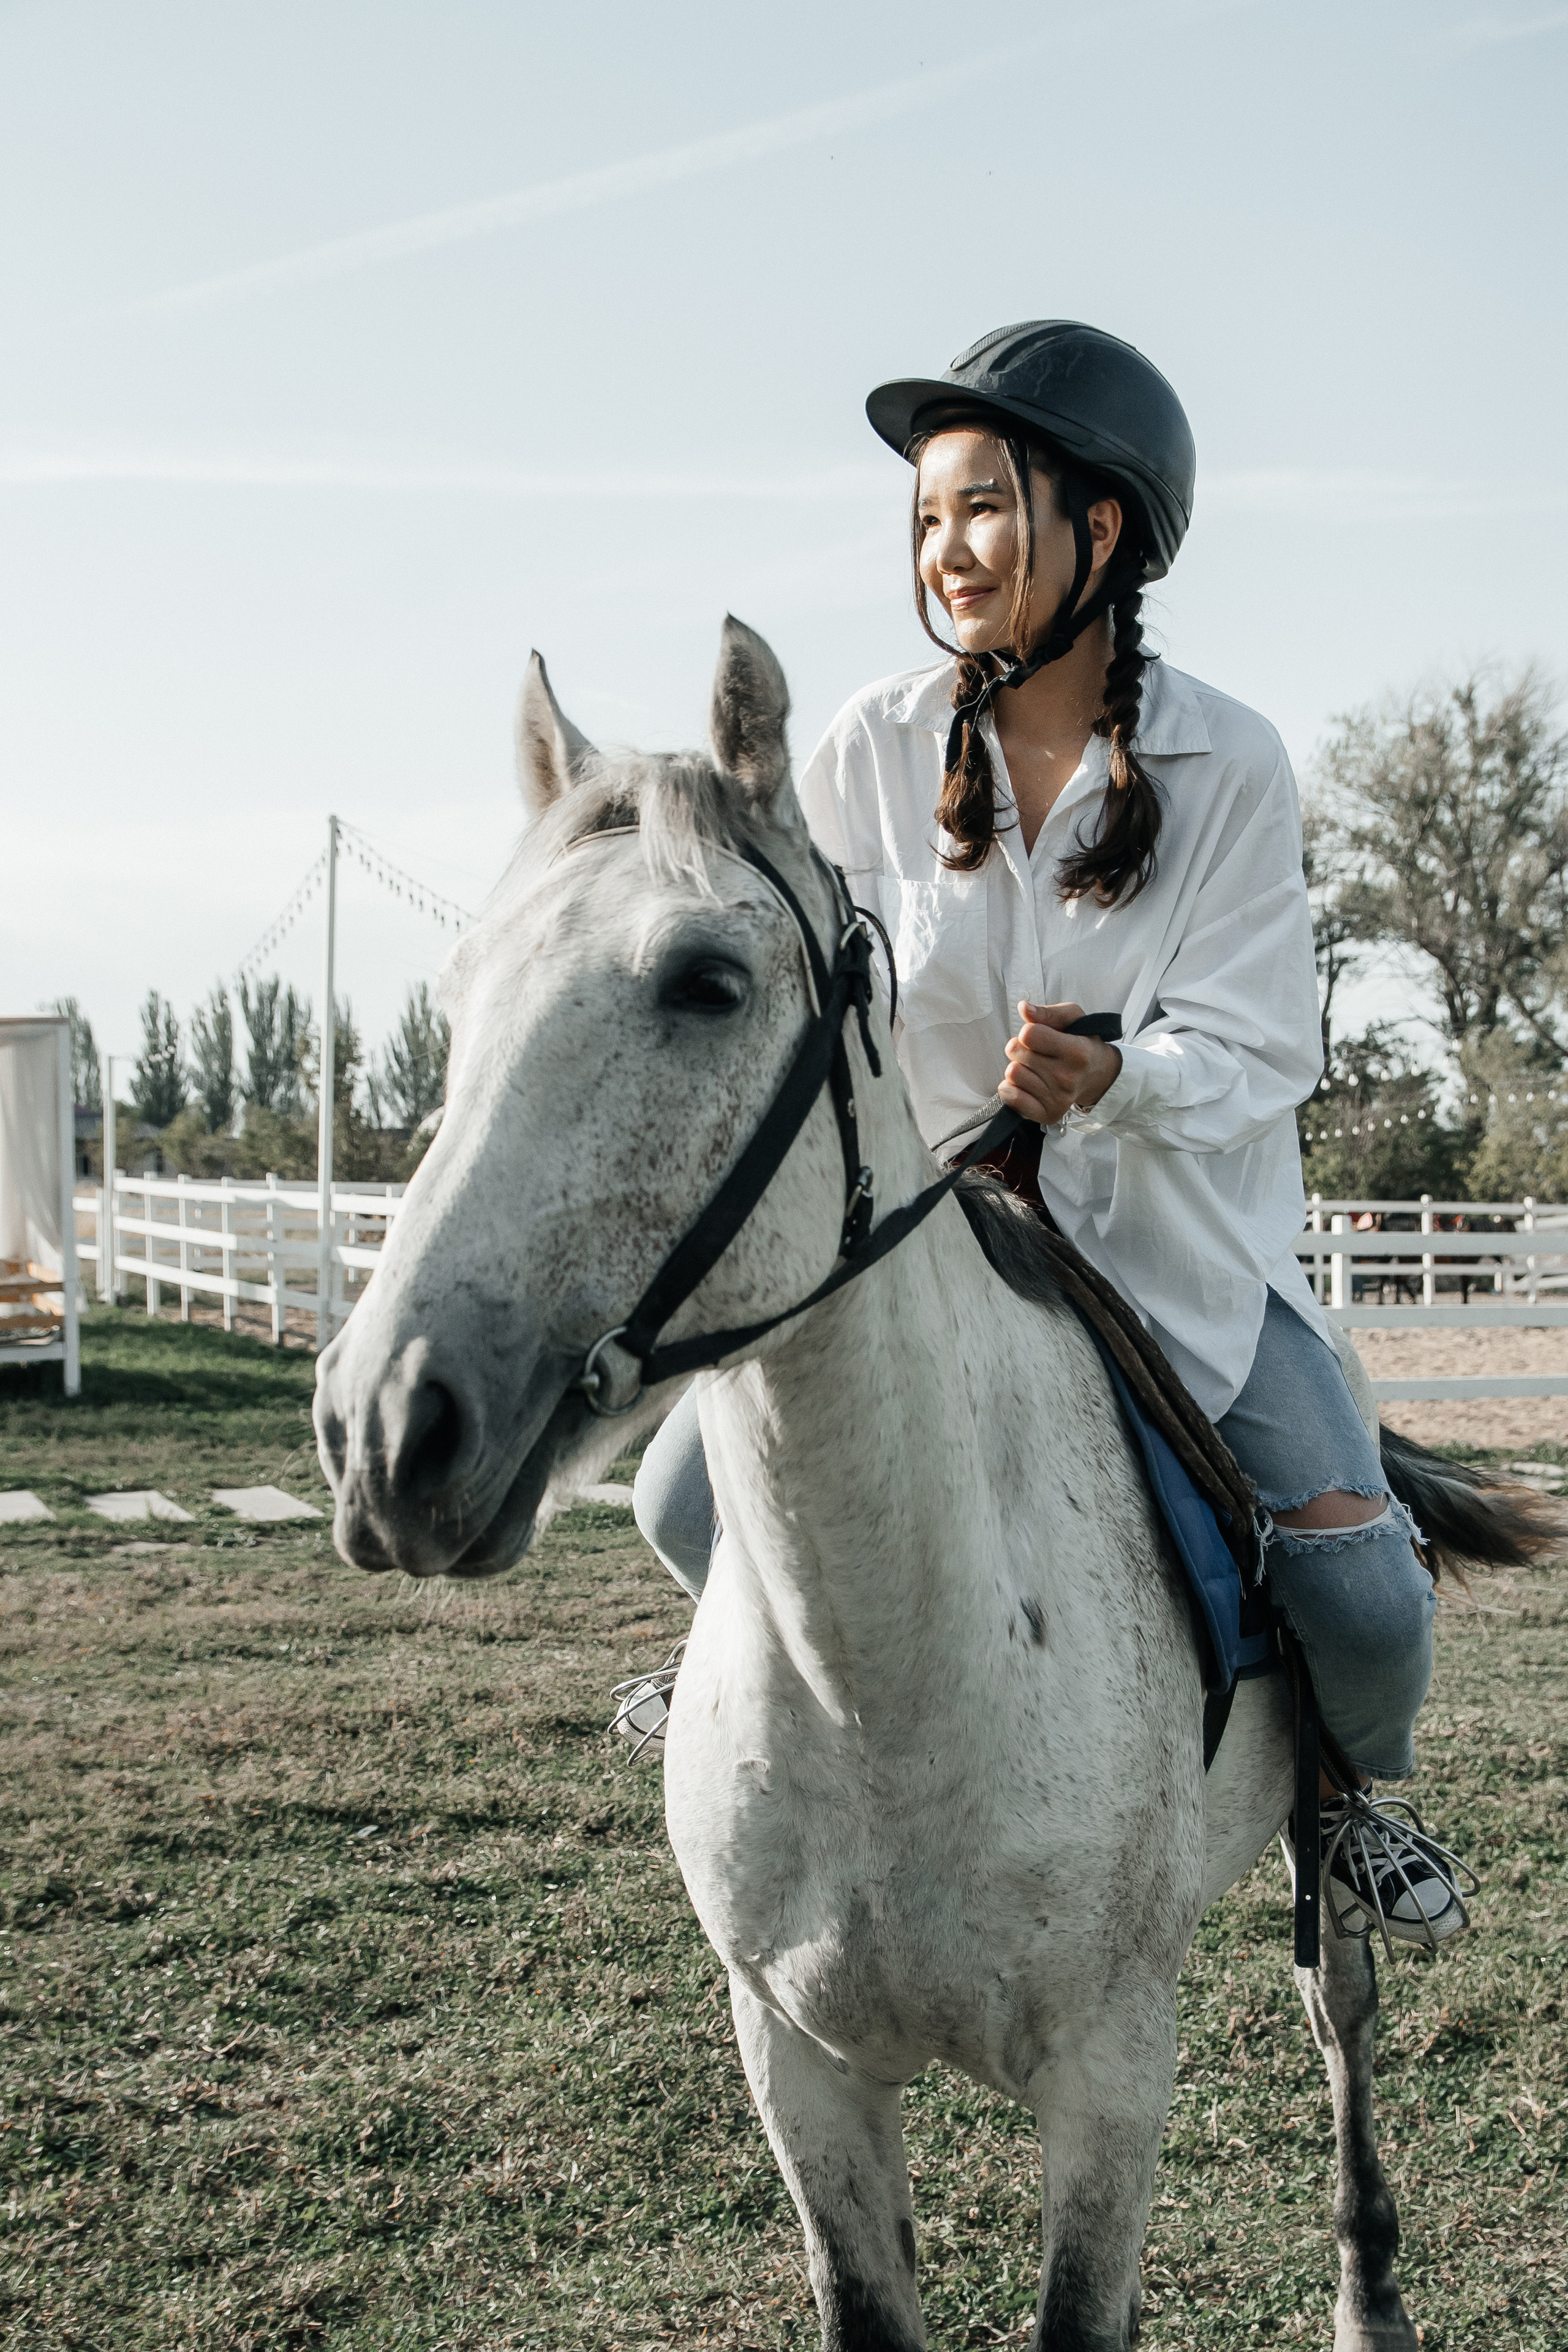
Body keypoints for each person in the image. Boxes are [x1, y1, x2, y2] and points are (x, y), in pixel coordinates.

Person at [619, 320, 1469, 1948]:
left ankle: (1348, 1806)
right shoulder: (868, 746)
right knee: (678, 1500)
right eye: (926, 520)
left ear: (1104, 534)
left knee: (1364, 1599)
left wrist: (1121, 1079)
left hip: (1173, 1274)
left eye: (983, 510)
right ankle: (748, 1679)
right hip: (928, 1259)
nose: (945, 551)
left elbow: (1265, 1047)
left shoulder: (1233, 763)